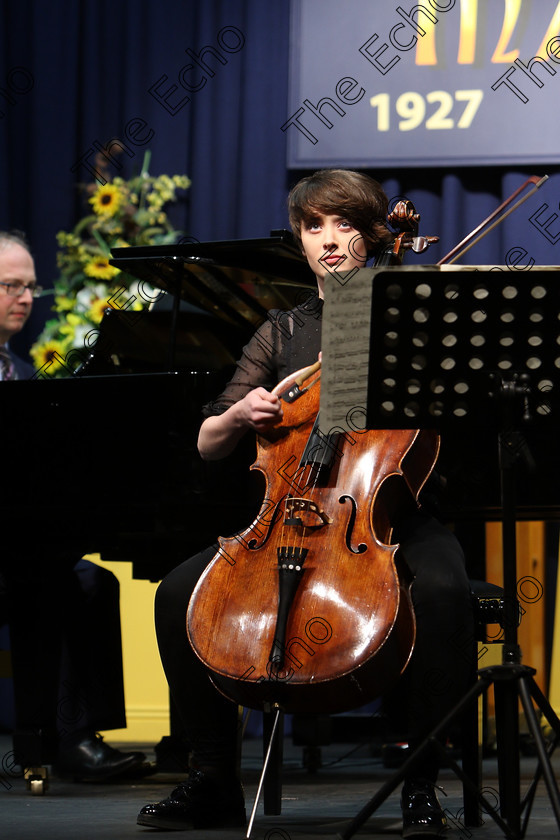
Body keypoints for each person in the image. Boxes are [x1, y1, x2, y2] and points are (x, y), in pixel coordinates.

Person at [137, 170, 475, 837]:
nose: (329, 240)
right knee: (176, 594)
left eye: (345, 224)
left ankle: (422, 785)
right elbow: (209, 442)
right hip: (292, 514)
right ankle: (211, 780)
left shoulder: (411, 318)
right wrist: (241, 412)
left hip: (392, 514)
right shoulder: (282, 330)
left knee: (442, 594)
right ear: (299, 239)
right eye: (313, 225)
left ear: (373, 235)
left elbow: (448, 421)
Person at [0, 230, 149, 781]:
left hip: (12, 540)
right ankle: (60, 738)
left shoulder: (14, 368)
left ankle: (78, 735)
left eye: (30, 288)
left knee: (88, 580)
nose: (23, 298)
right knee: (60, 578)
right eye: (10, 285)